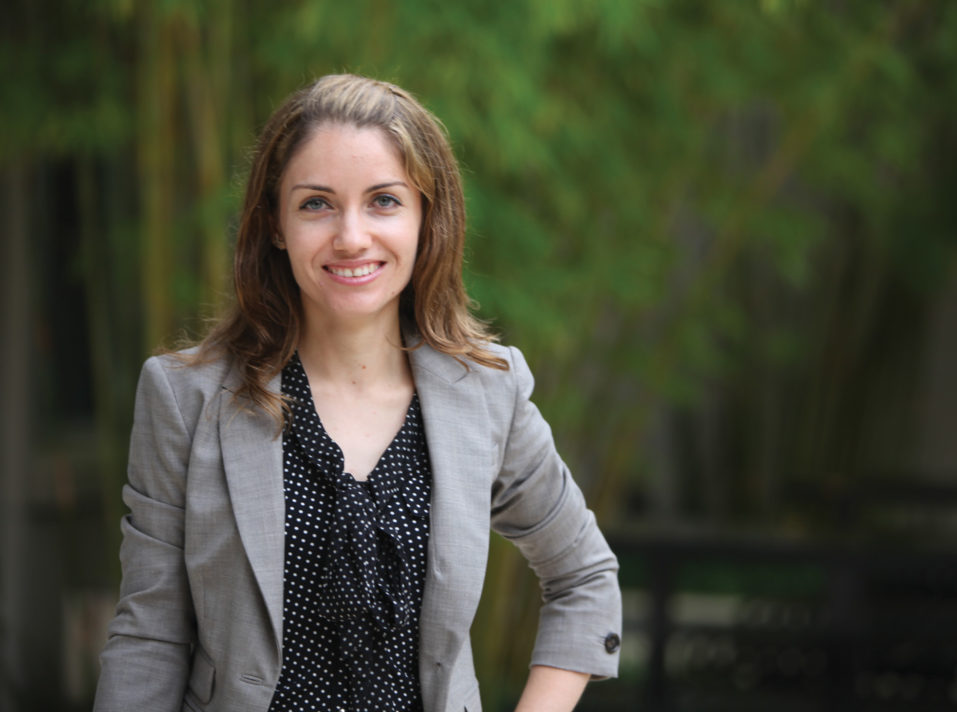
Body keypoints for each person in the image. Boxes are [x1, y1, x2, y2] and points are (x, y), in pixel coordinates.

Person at [93, 73, 621, 712]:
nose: (350, 235)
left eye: (384, 201)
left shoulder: (485, 394)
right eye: (316, 203)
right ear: (276, 224)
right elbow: (149, 634)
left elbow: (584, 577)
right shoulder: (186, 399)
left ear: (428, 217)